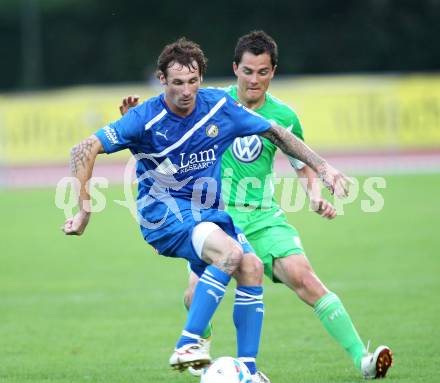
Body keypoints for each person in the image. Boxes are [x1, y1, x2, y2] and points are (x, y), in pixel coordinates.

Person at [62, 37, 348, 383]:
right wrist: (84, 211)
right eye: (177, 82)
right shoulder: (145, 116)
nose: (186, 90)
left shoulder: (218, 106)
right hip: (163, 215)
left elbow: (276, 132)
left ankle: (248, 371)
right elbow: (84, 147)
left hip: (206, 213)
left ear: (202, 78)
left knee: (252, 266)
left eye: (193, 81)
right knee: (229, 253)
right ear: (162, 80)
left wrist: (324, 168)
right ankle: (188, 343)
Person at [120, 31, 393, 380]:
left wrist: (313, 192)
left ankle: (363, 360)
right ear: (235, 69)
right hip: (214, 217)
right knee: (192, 296)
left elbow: (299, 161)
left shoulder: (284, 116)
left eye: (262, 71)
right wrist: (138, 129)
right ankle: (200, 356)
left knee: (306, 279)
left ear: (272, 72)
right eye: (247, 71)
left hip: (263, 217)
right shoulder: (212, 104)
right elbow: (167, 141)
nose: (254, 79)